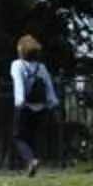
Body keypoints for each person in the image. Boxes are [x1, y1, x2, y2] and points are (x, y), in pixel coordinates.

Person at [8, 35, 59, 177]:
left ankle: (31, 161)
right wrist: (53, 101)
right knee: (32, 137)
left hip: (25, 106)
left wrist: (19, 101)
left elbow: (18, 83)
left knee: (18, 137)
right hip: (41, 107)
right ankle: (30, 166)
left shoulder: (17, 65)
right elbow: (48, 85)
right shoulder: (41, 67)